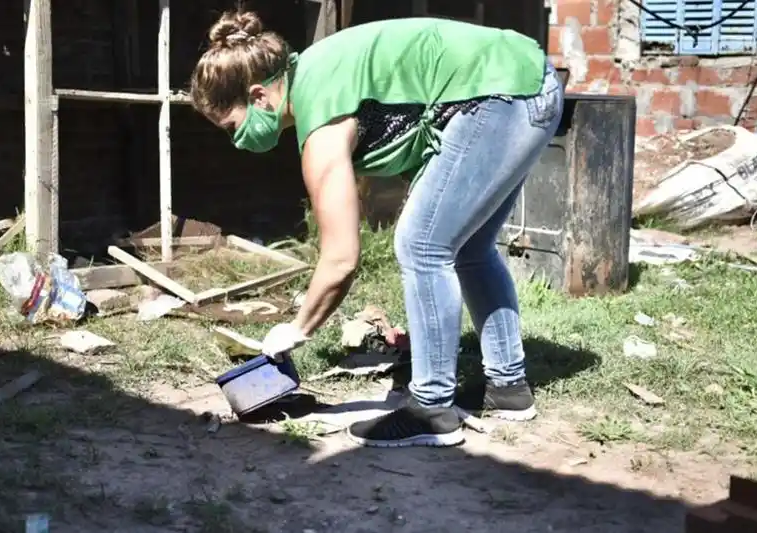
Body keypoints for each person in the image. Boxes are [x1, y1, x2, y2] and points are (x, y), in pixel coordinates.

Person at [189, 10, 563, 448]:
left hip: (502, 93)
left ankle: (432, 408)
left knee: (422, 245)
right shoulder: (315, 75)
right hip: (527, 82)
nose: (236, 141)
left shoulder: (321, 111)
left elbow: (342, 257)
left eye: (232, 127)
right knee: (470, 248)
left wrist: (298, 327)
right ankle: (509, 390)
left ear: (258, 96)